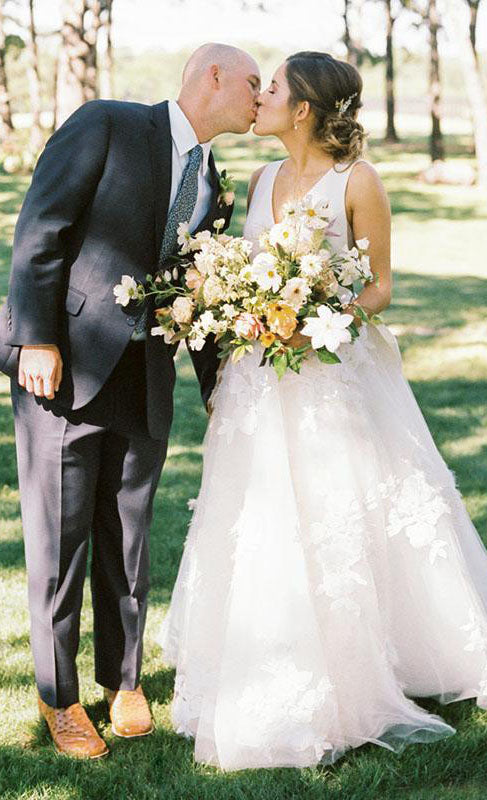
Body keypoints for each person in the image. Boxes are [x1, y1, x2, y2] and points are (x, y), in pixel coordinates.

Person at [159, 51, 487, 771]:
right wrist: (244, 307)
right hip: (259, 379)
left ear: (302, 108)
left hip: (332, 374)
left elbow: (380, 285)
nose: (261, 97)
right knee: (259, 512)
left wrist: (317, 319)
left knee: (345, 511)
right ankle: (260, 653)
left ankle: (371, 662)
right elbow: (234, 270)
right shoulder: (259, 179)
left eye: (272, 89)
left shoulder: (356, 181)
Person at [0, 42, 260, 760]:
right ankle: (59, 698)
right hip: (63, 368)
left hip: (146, 377)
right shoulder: (108, 123)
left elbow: (204, 289)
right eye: (252, 83)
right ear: (213, 76)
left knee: (129, 539)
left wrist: (219, 385)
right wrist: (36, 339)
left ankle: (124, 681)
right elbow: (41, 228)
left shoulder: (214, 180)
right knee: (60, 543)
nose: (259, 98)